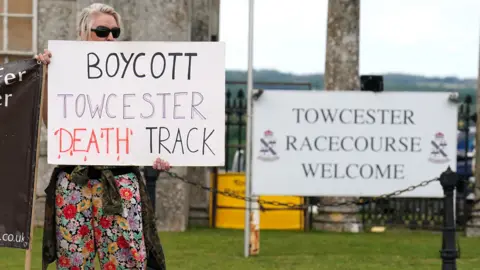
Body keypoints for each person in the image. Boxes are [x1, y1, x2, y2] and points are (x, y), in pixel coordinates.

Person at [35, 3, 169, 270]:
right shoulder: (63, 69)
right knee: (74, 263)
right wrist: (48, 75)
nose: (110, 38)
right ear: (83, 32)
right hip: (75, 183)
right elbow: (52, 121)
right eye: (102, 31)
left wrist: (162, 154)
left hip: (120, 183)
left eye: (115, 32)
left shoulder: (133, 76)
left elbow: (150, 122)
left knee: (125, 263)